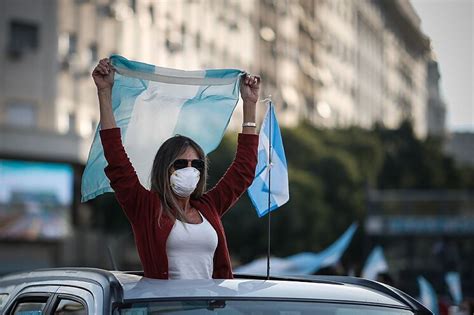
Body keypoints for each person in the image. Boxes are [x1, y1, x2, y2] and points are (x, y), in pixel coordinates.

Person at [92, 58, 260, 280]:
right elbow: (116, 159)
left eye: (196, 164)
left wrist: (249, 104)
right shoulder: (146, 208)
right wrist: (104, 92)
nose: (189, 170)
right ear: (165, 169)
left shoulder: (209, 208)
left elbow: (244, 170)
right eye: (181, 163)